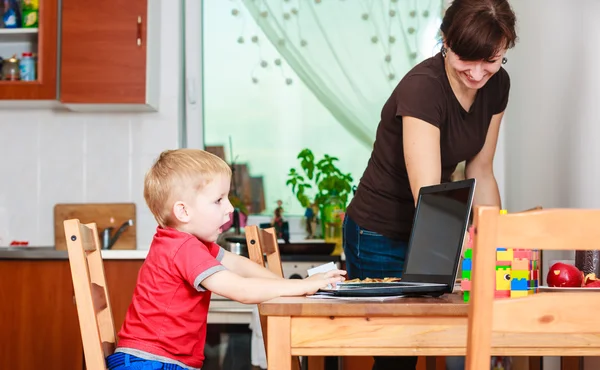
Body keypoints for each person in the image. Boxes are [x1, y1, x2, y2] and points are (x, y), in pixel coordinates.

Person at [343, 0, 517, 369]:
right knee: (400, 354)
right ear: (445, 40)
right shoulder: (423, 88)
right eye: (465, 59)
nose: (476, 72)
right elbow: (428, 195)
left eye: (491, 59)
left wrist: (498, 246)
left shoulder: (497, 84)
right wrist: (465, 249)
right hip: (379, 231)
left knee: (446, 334)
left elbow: (481, 170)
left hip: (431, 221)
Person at [106, 149, 346, 370]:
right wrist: (303, 285)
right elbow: (240, 289)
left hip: (152, 360)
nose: (230, 208)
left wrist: (288, 288)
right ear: (183, 212)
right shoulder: (182, 247)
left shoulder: (187, 243)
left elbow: (238, 264)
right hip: (148, 363)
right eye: (219, 200)